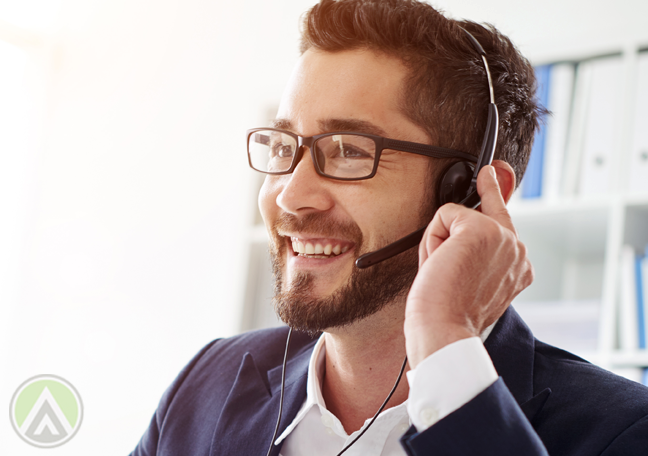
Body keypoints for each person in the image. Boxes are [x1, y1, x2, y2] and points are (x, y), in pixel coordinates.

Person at [131, 1, 648, 455]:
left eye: (350, 152)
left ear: (468, 190)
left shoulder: (623, 432)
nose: (290, 194)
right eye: (285, 147)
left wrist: (446, 344)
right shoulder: (205, 384)